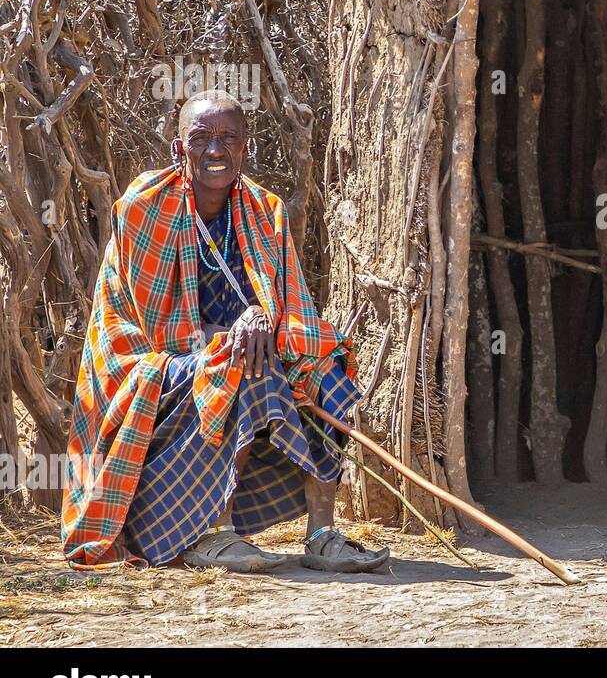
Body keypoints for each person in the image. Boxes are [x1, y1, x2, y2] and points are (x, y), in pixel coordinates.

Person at [63, 90, 388, 573]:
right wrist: (236, 333)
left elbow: (285, 305)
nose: (215, 150)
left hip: (239, 351)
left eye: (227, 139)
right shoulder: (143, 207)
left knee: (325, 364)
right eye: (201, 138)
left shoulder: (263, 210)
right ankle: (216, 532)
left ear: (244, 148)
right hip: (144, 366)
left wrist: (266, 323)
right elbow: (158, 328)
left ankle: (322, 535)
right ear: (179, 149)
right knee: (243, 366)